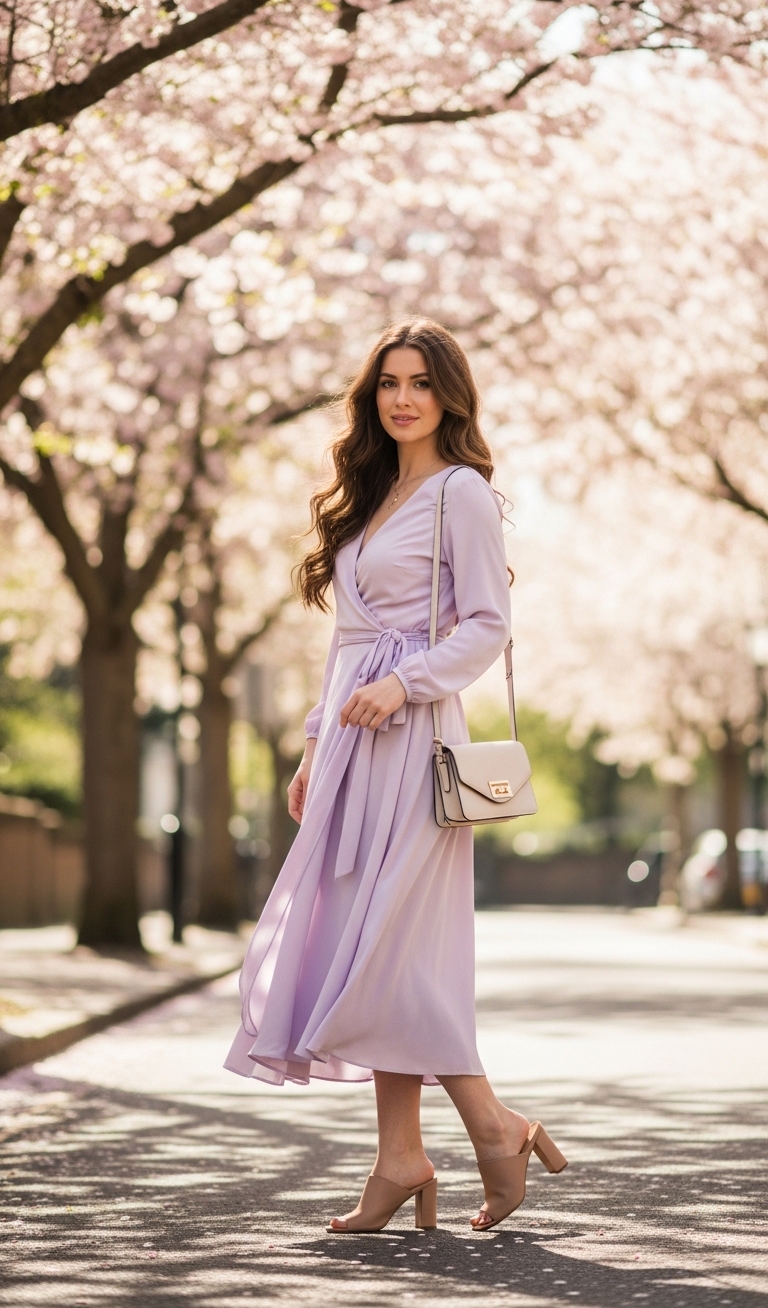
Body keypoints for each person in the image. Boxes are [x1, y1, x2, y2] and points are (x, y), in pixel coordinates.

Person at [225, 318, 566, 1231]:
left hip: (416, 743)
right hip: (351, 746)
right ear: (371, 397)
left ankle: (488, 1128)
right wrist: (312, 743)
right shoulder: (370, 494)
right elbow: (345, 641)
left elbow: (487, 624)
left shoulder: (462, 493)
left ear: (450, 394)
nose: (403, 397)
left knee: (387, 947)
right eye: (388, 383)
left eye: (420, 381)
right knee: (371, 942)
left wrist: (406, 685)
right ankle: (404, 1156)